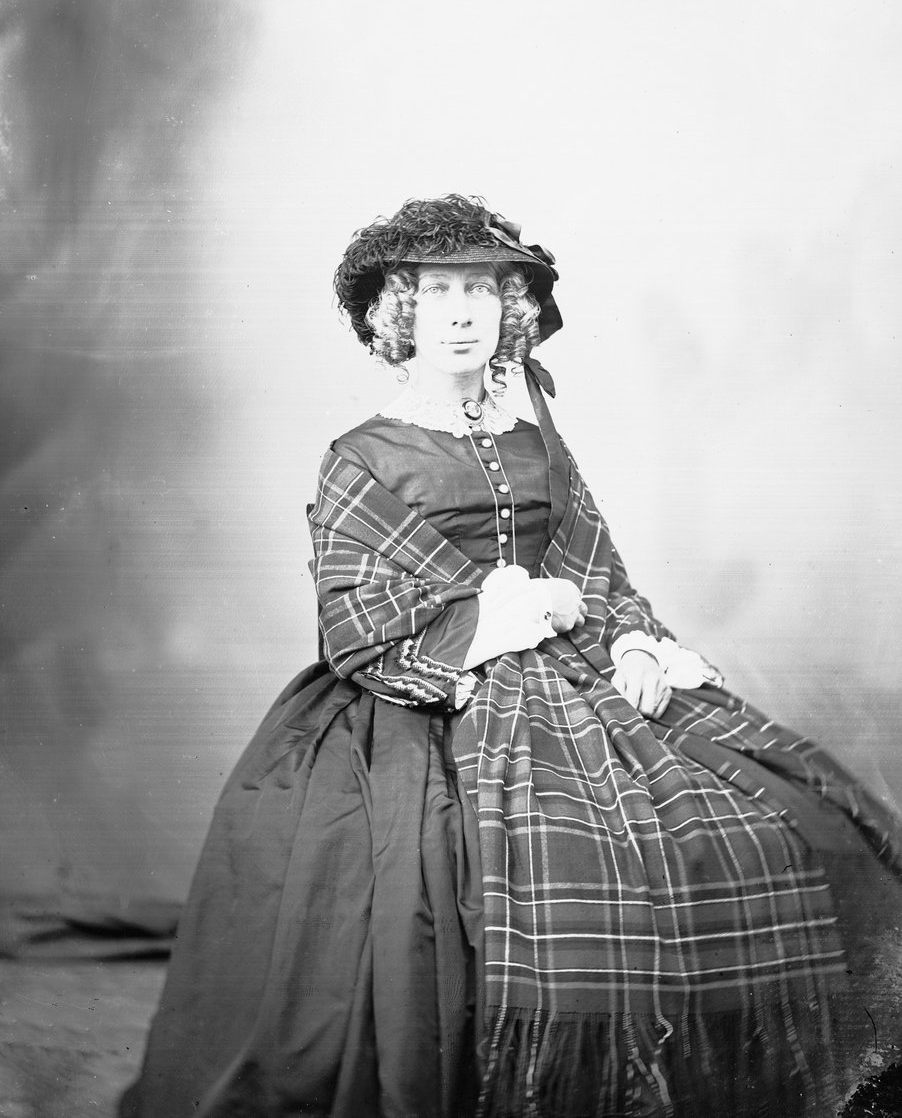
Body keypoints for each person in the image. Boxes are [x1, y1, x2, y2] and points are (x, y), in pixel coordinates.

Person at [121, 194, 902, 1118]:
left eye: (482, 292)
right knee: (515, 875)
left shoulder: (535, 442)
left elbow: (599, 570)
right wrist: (507, 613)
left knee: (778, 822)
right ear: (401, 314)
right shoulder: (361, 456)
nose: (461, 313)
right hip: (425, 696)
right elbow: (356, 620)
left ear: (509, 312)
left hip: (574, 671)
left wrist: (632, 642)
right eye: (438, 292)